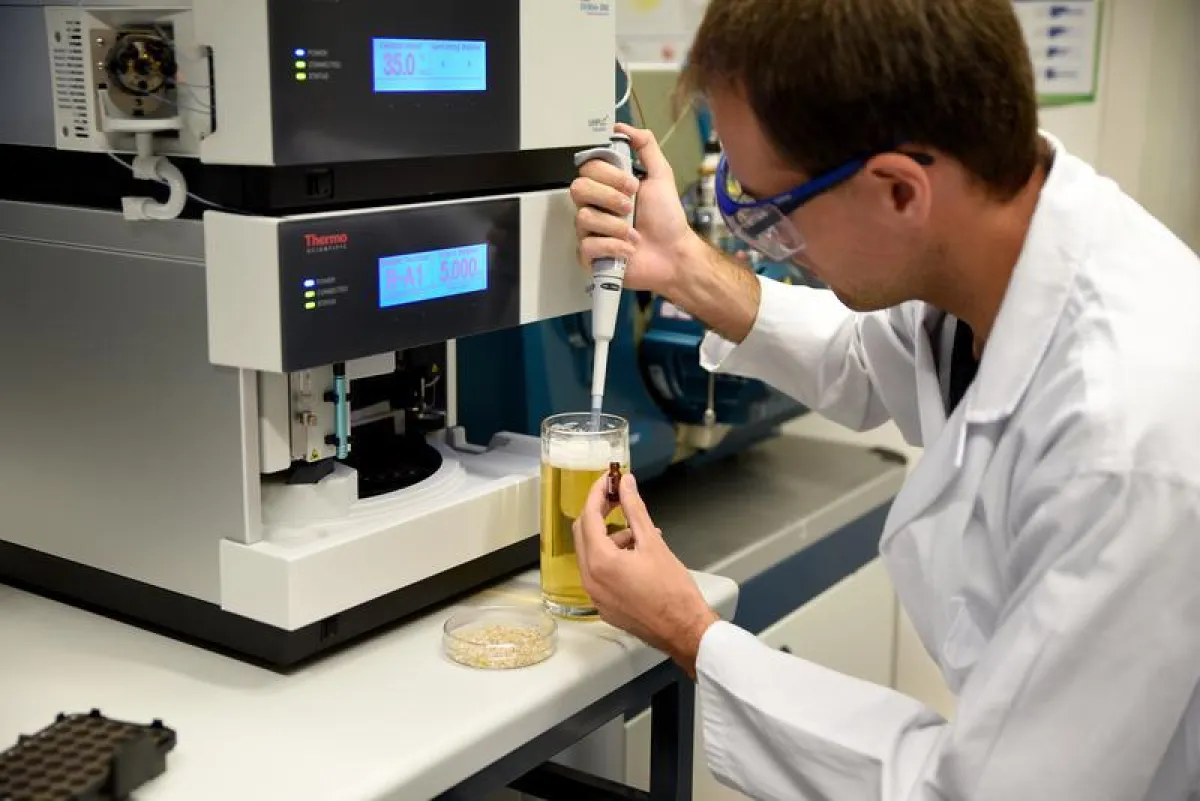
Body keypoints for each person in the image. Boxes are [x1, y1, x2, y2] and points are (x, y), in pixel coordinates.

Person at [568, 0, 1200, 798]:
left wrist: (690, 630)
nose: (765, 239)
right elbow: (866, 355)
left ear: (899, 190)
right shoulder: (1006, 251)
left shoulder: (1125, 438)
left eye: (769, 213)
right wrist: (686, 265)